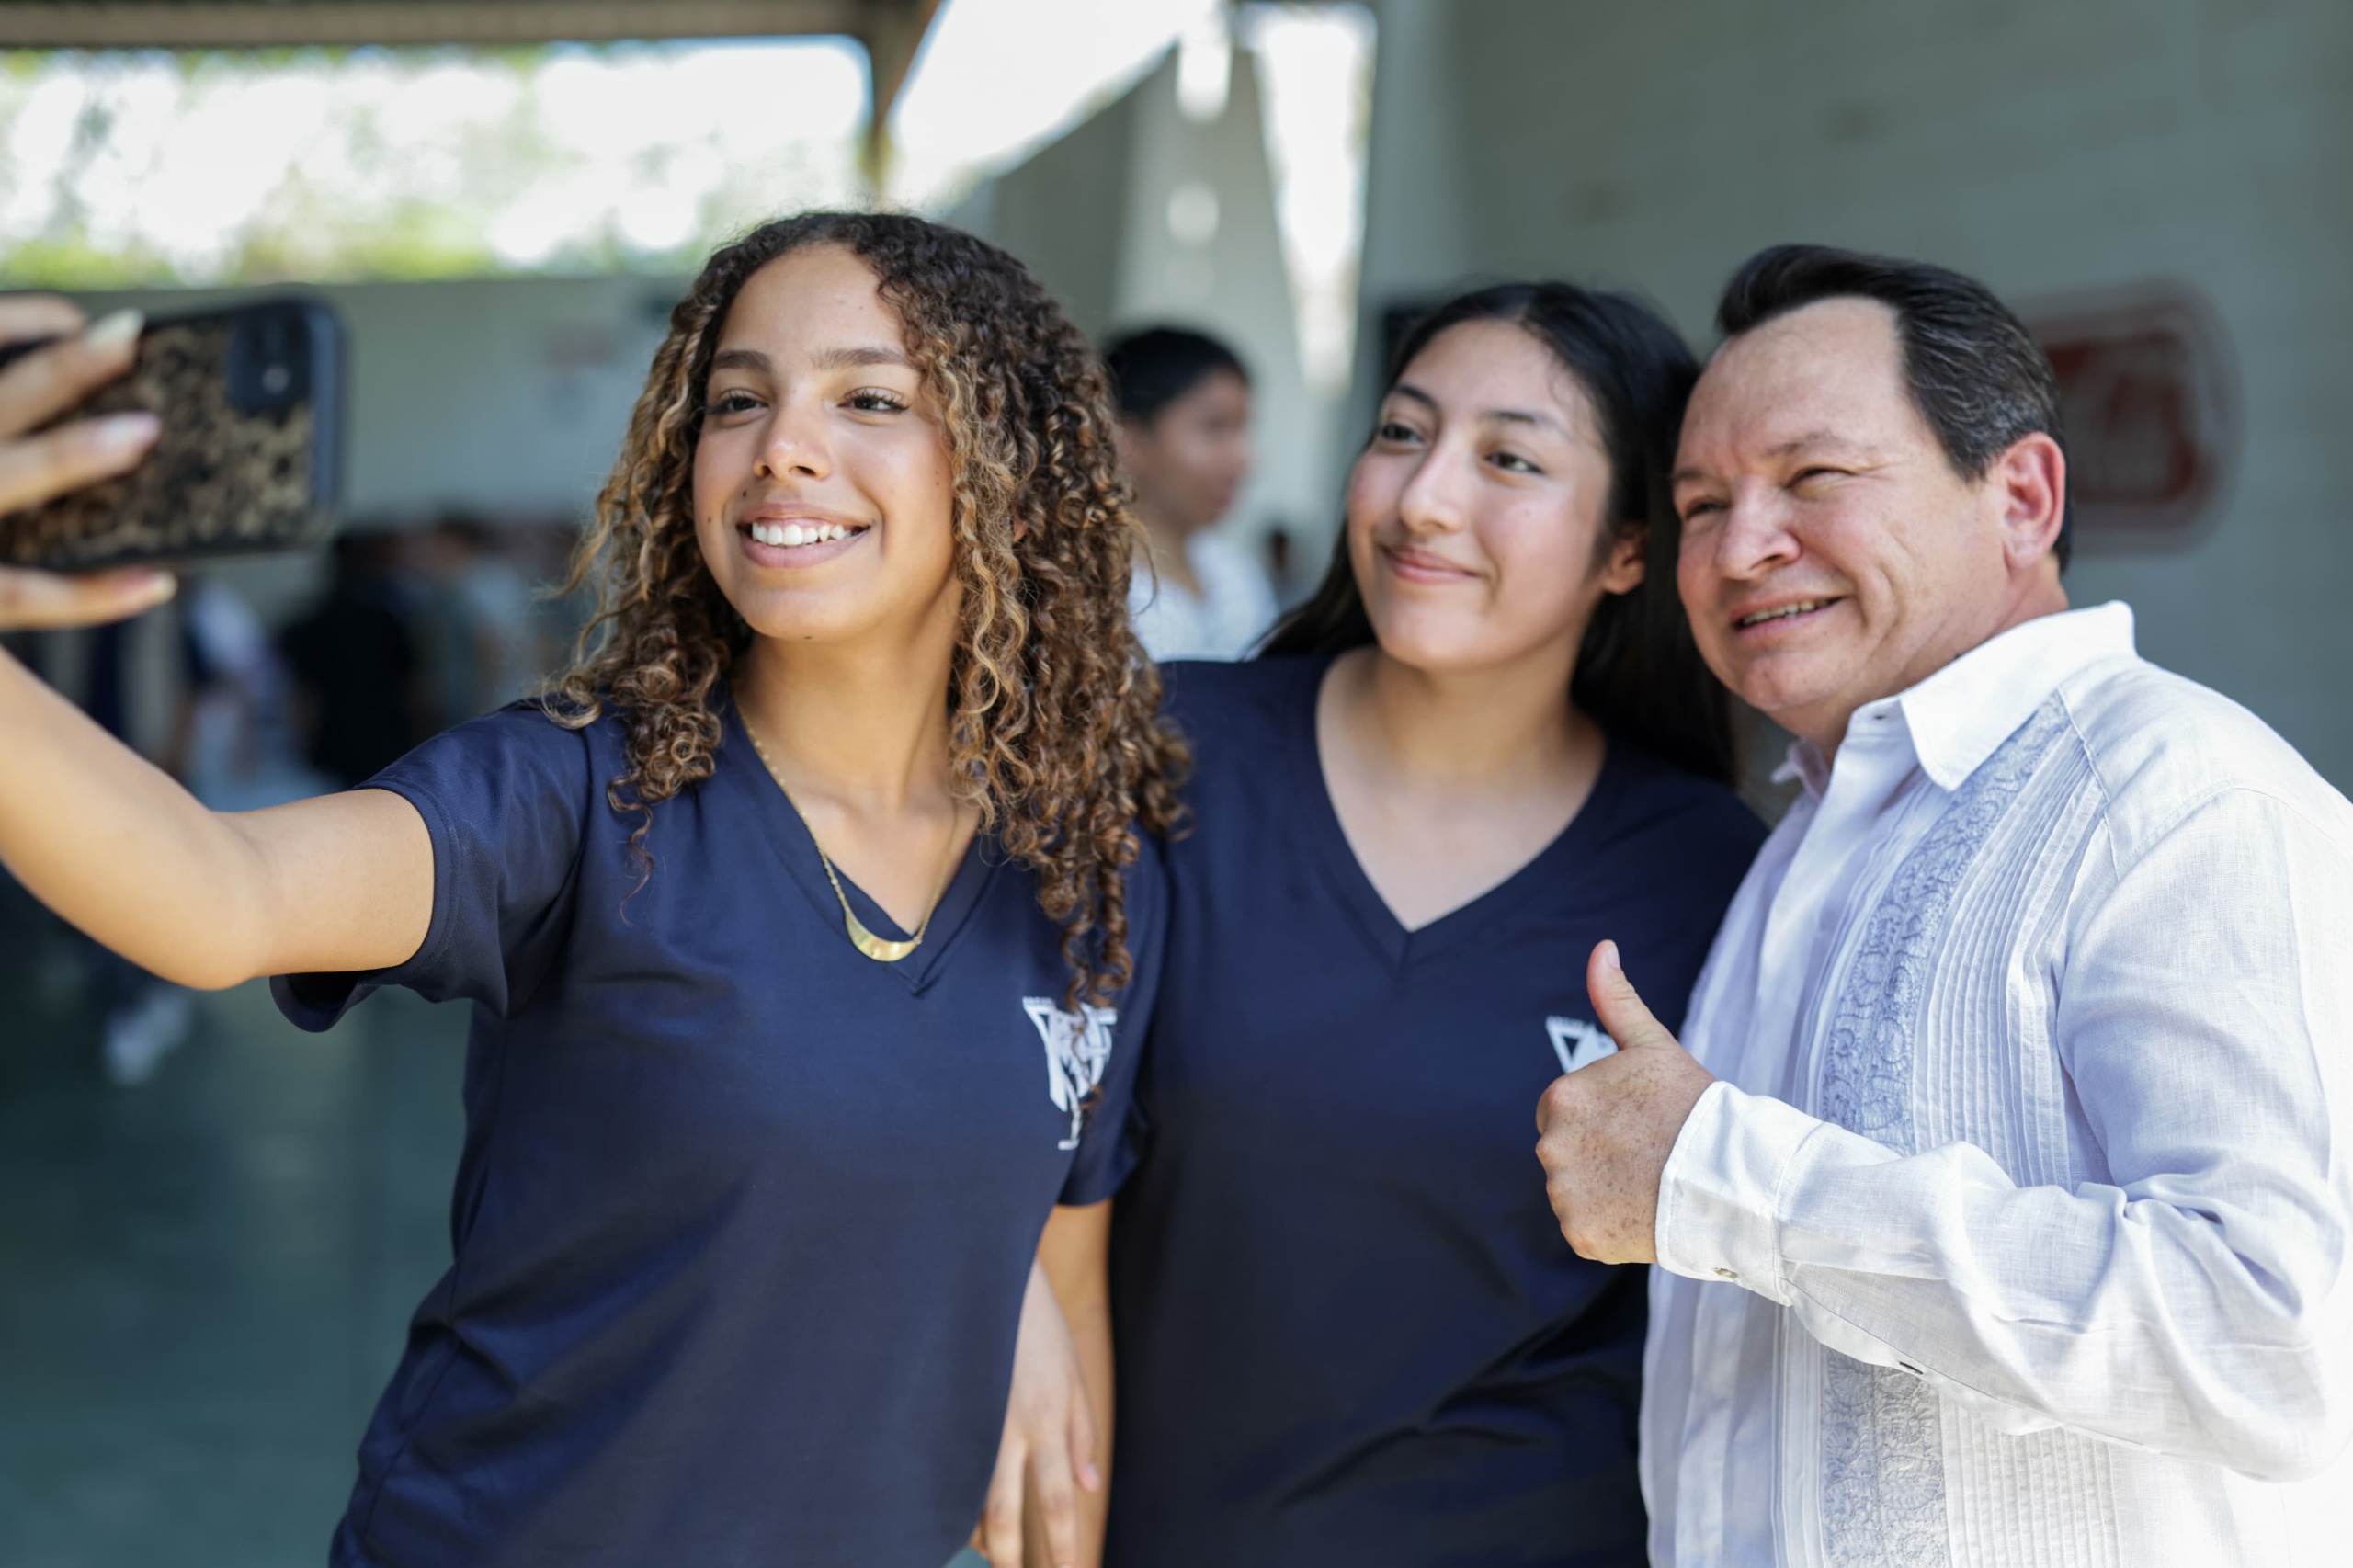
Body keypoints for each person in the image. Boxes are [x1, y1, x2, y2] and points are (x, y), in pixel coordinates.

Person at [0, 213, 1186, 1568]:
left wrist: (1010, 1295)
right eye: (737, 398)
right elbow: (218, 896)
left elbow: (1062, 1312)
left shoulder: (1080, 871)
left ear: (1013, 473)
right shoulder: (568, 793)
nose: (781, 444)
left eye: (870, 397)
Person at [1535, 244, 2353, 1565]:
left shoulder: (2177, 798)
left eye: (1813, 477)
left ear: (2022, 494)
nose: (1743, 548)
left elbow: (2274, 1338)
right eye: (1699, 504)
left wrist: (1723, 1176)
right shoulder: (1797, 844)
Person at [1053, 283, 1761, 1565]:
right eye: (1400, 433)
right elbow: (1025, 1162)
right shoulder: (1162, 752)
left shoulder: (1709, 873)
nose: (1424, 498)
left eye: (1510, 458)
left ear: (1630, 546)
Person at [1105, 326, 1279, 660]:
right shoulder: (1090, 590)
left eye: (1243, 428)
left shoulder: (1239, 577)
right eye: (1215, 427)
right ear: (1127, 440)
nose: (1244, 459)